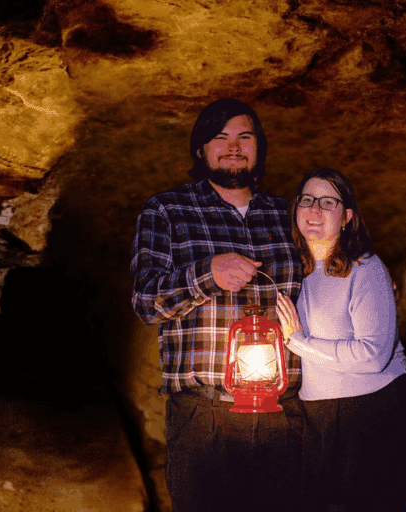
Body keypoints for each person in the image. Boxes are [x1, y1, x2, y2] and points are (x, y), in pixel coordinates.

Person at [130, 98, 305, 512]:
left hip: (286, 413)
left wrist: (371, 280)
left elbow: (330, 281)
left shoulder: (290, 215)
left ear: (259, 147)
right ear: (200, 149)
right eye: (220, 137)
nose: (233, 147)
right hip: (204, 416)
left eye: (245, 137)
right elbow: (145, 302)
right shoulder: (167, 210)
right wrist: (208, 274)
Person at [276, 167, 406, 511]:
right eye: (307, 200)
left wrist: (299, 342)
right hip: (319, 415)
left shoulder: (366, 269)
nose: (315, 209)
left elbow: (373, 355)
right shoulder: (295, 271)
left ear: (347, 217)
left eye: (327, 202)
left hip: (374, 414)